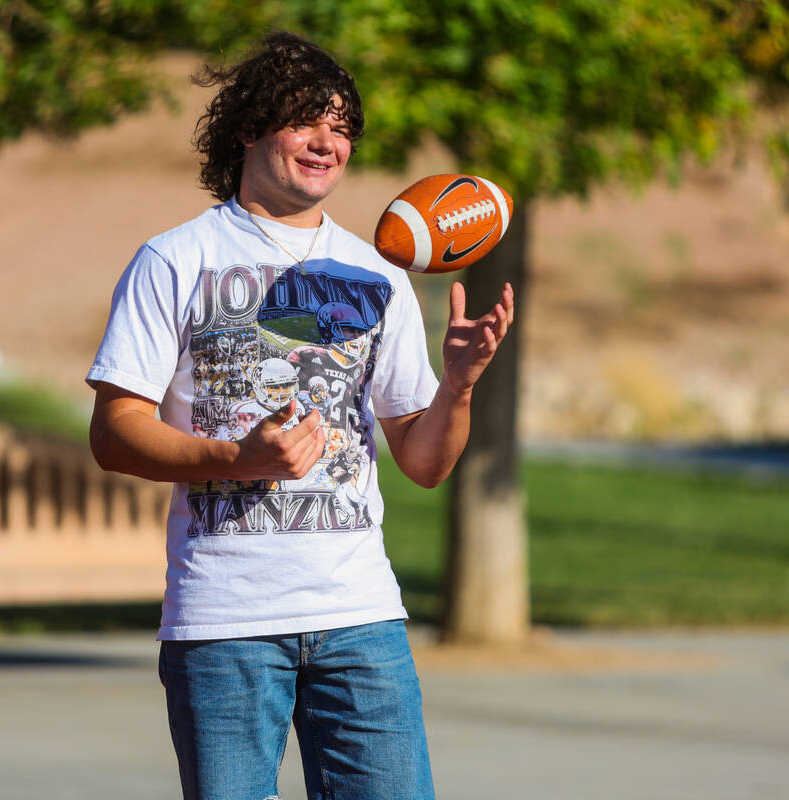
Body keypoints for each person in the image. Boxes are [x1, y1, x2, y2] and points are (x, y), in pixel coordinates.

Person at [86, 31, 514, 800]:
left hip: (362, 618)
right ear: (249, 127)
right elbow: (113, 432)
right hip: (224, 621)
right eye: (307, 120)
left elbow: (423, 462)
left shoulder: (375, 271)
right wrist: (235, 460)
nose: (328, 141)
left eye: (343, 126)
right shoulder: (175, 260)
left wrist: (458, 384)